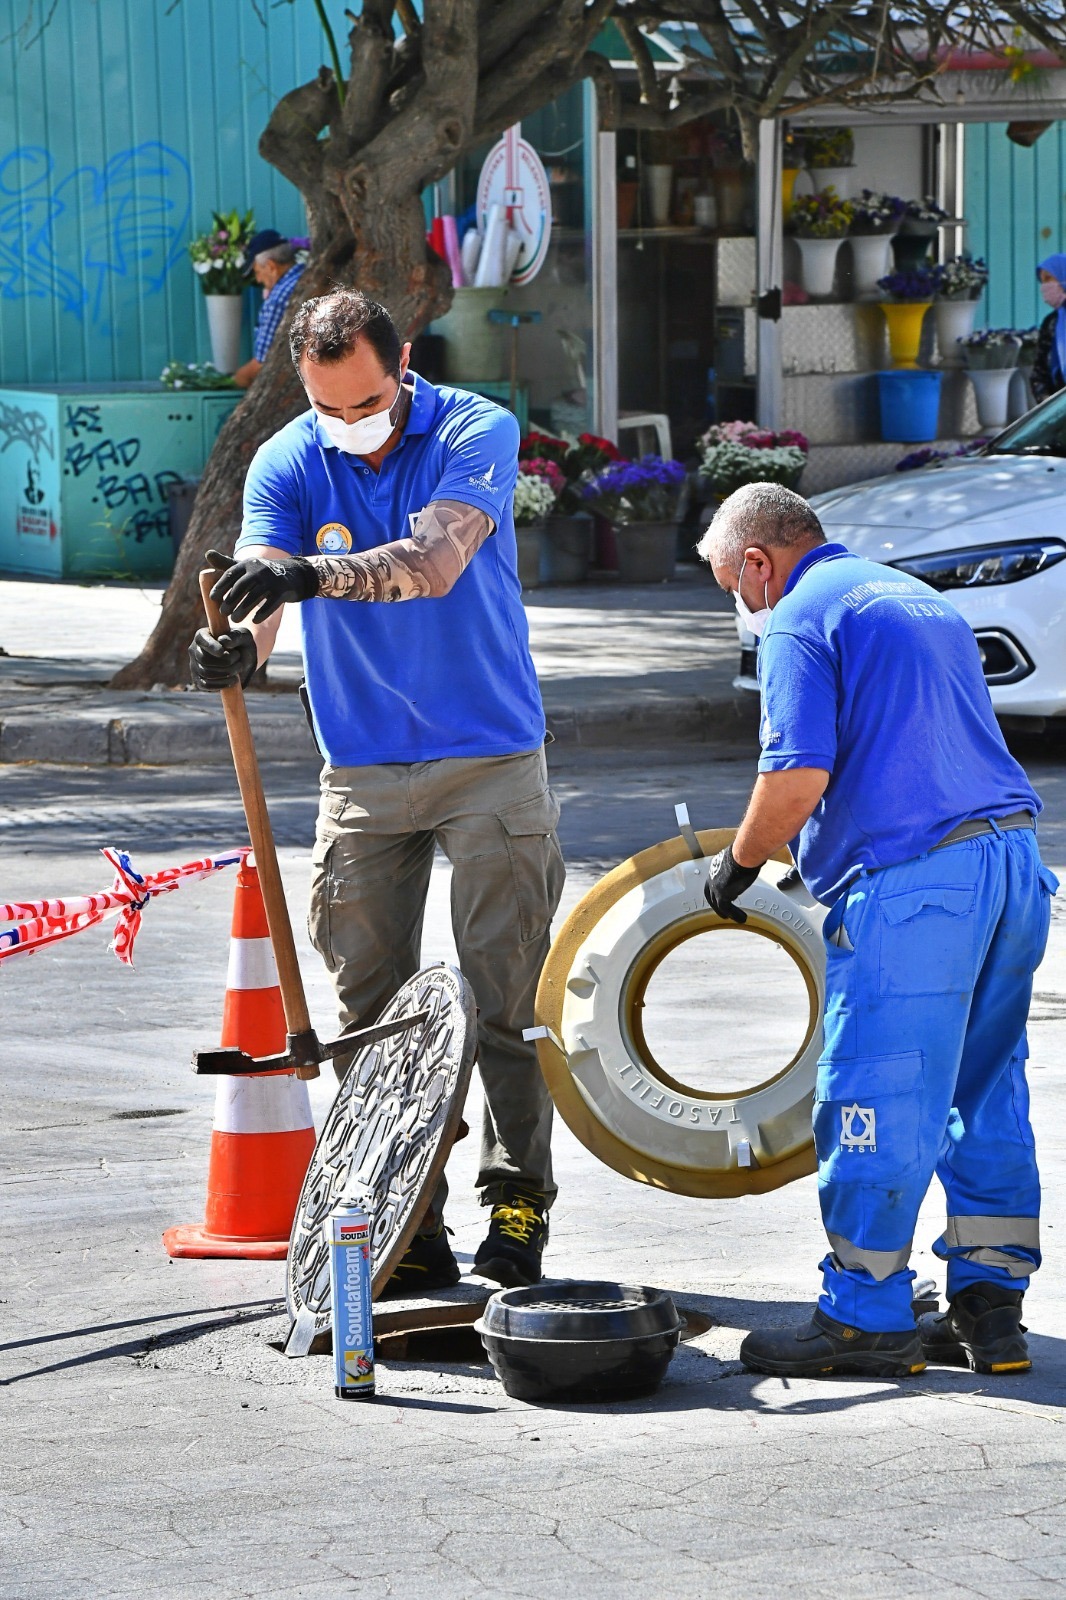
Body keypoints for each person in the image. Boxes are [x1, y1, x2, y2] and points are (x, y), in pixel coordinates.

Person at [189, 288, 564, 1294]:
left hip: (486, 753)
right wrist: (239, 642)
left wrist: (315, 577)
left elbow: (437, 559)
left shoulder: (473, 428)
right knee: (369, 1006)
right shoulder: (287, 459)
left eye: (363, 405)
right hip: (359, 764)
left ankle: (517, 1199)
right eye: (326, 408)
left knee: (504, 999)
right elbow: (265, 575)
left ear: (403, 368)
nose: (345, 427)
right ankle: (405, 1208)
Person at [697, 482, 1056, 1380]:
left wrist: (736, 867)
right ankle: (990, 1310)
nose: (742, 610)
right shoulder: (914, 596)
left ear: (757, 562)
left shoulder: (795, 616)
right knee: (984, 1089)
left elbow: (794, 778)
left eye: (733, 589)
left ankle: (864, 1315)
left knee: (874, 1093)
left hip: (919, 887)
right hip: (1013, 865)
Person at [231, 230, 307, 390]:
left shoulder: (279, 297)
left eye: (258, 271)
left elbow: (262, 363)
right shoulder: (306, 276)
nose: (258, 279)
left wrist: (236, 380)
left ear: (272, 266)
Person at [1030, 253, 1066, 402]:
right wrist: (1045, 401)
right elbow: (1039, 371)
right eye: (1042, 280)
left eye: (1049, 278)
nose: (1045, 286)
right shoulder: (1051, 322)